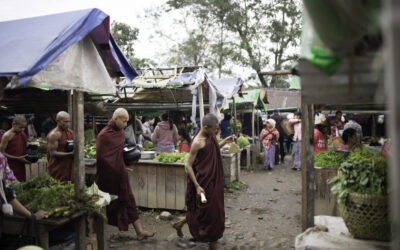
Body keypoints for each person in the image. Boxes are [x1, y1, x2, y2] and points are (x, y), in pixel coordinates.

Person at [172, 113, 233, 250]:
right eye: (214, 129)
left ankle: (180, 224)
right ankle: (213, 242)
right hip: (203, 182)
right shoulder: (197, 142)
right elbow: (188, 165)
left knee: (211, 209)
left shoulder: (209, 136)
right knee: (208, 211)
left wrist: (224, 142)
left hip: (214, 180)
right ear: (205, 127)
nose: (216, 131)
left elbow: (213, 148)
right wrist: (197, 186)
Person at [95, 108, 155, 240]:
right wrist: (119, 168)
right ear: (115, 119)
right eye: (124, 121)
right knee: (102, 202)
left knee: (128, 200)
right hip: (107, 177)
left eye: (127, 121)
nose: (125, 124)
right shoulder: (104, 135)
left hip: (120, 175)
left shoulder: (120, 133)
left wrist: (122, 166)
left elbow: (118, 155)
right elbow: (103, 159)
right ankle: (94, 233)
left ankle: (140, 231)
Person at [46, 111, 74, 183]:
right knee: (58, 187)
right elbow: (53, 153)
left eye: (69, 122)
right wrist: (71, 154)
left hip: (69, 165)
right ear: (57, 121)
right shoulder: (54, 135)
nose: (68, 124)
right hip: (58, 167)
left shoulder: (70, 132)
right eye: (65, 122)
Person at [0, 115, 29, 182]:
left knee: (21, 184)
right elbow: (2, 153)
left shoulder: (22, 134)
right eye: (20, 127)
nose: (22, 129)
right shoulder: (7, 135)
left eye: (24, 127)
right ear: (13, 124)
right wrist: (18, 158)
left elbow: (23, 147)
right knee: (12, 186)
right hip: (10, 166)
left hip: (21, 165)